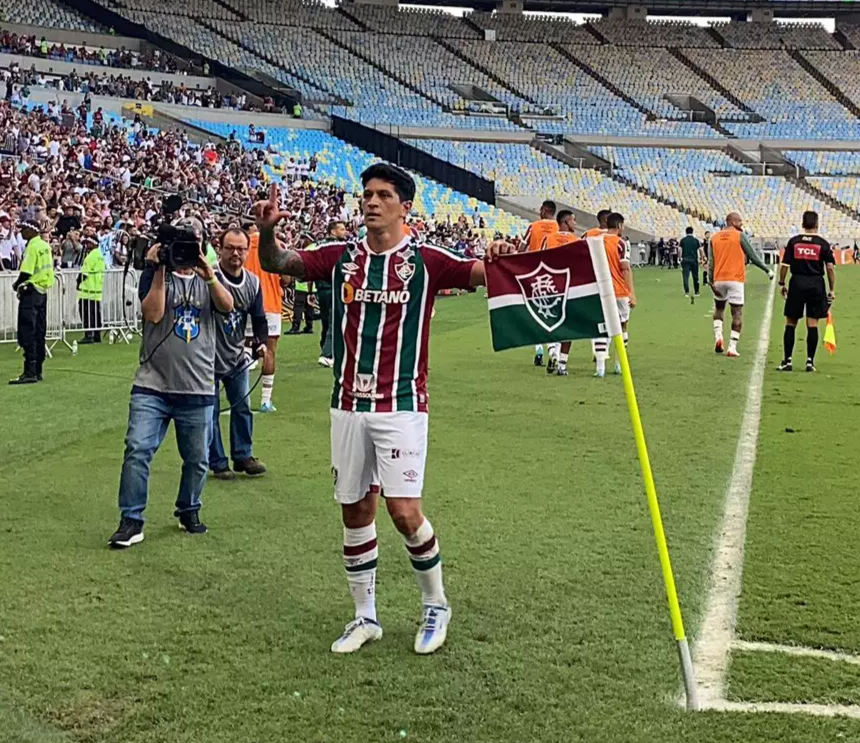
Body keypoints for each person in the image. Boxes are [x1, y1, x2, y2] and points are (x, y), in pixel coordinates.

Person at [253, 165, 513, 655]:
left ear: (405, 206)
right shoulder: (341, 257)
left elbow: (482, 273)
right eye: (367, 194)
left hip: (403, 406)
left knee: (404, 511)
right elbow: (277, 262)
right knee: (355, 509)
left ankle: (436, 605)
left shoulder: (428, 260)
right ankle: (364, 617)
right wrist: (266, 233)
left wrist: (499, 256)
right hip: (347, 405)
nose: (371, 202)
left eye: (383, 195)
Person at [108, 218, 234, 549]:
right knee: (137, 447)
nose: (186, 252)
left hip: (197, 384)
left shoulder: (210, 278)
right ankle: (131, 519)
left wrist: (209, 275)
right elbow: (152, 313)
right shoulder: (154, 273)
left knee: (197, 459)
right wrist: (160, 266)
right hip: (153, 383)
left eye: (192, 244)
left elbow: (227, 306)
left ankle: (189, 508)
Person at [209, 227, 269, 479]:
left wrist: (261, 342)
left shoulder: (253, 281)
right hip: (206, 356)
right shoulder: (209, 277)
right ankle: (217, 461)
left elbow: (259, 318)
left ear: (247, 251)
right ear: (219, 248)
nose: (236, 253)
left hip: (236, 355)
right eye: (230, 248)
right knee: (209, 410)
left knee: (242, 406)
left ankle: (242, 455)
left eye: (241, 249)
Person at [776, 211, 836, 373]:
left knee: (791, 322)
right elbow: (829, 268)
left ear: (802, 223)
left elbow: (785, 266)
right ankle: (810, 361)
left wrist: (782, 283)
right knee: (812, 323)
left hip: (797, 282)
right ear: (817, 224)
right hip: (816, 283)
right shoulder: (823, 243)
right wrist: (831, 289)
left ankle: (787, 361)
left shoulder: (794, 242)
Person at [709, 212, 773, 358]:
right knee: (736, 313)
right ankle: (732, 347)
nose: (741, 224)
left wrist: (710, 282)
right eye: (739, 221)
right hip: (735, 279)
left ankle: (718, 337)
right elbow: (752, 255)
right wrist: (766, 269)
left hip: (718, 279)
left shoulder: (714, 237)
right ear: (731, 221)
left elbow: (711, 261)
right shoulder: (739, 235)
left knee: (719, 308)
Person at [9, 213, 53, 385]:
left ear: (31, 230)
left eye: (23, 230)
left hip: (31, 291)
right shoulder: (45, 245)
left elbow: (26, 272)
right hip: (42, 292)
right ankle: (38, 370)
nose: (21, 233)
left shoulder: (32, 247)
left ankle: (29, 371)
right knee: (39, 332)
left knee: (27, 331)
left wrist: (15, 285)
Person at [244, 226, 285, 413]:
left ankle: (241, 396)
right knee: (269, 351)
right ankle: (265, 401)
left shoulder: (243, 244)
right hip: (271, 303)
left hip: (247, 302)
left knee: (243, 350)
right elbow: (286, 279)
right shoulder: (276, 244)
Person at [592, 212, 636, 378]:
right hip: (618, 291)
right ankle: (619, 364)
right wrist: (631, 293)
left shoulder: (595, 241)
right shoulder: (621, 243)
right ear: (619, 226)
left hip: (600, 290)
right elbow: (625, 268)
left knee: (601, 327)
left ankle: (600, 367)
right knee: (622, 326)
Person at [542, 210, 579, 377]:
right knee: (569, 326)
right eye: (574, 221)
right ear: (566, 222)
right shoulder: (576, 241)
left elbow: (540, 260)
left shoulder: (548, 239)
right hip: (570, 286)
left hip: (550, 285)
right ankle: (562, 364)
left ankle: (552, 353)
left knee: (549, 322)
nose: (575, 224)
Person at [523, 199, 558, 367]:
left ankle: (539, 349)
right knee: (552, 312)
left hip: (534, 274)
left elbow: (522, 248)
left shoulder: (534, 227)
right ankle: (554, 349)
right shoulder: (559, 228)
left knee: (535, 311)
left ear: (544, 210)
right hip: (554, 275)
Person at [311, 219, 346, 368]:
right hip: (333, 288)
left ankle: (324, 348)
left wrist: (311, 290)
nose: (345, 232)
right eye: (342, 229)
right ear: (333, 231)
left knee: (326, 322)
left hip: (321, 290)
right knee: (335, 322)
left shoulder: (318, 246)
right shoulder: (338, 248)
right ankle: (327, 354)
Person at [76, 235, 106, 344]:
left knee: (86, 313)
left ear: (93, 244)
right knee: (96, 314)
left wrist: (78, 283)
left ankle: (88, 335)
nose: (86, 245)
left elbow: (84, 273)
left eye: (88, 243)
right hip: (97, 289)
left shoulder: (90, 257)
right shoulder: (100, 255)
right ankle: (97, 335)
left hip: (87, 290)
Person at [679, 227, 701, 299]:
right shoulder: (696, 240)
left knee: (685, 276)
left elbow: (680, 250)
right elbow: (700, 249)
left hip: (685, 259)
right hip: (694, 260)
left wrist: (680, 258)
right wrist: (702, 257)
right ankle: (697, 291)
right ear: (692, 232)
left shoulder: (683, 240)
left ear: (686, 232)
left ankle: (687, 292)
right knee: (695, 276)